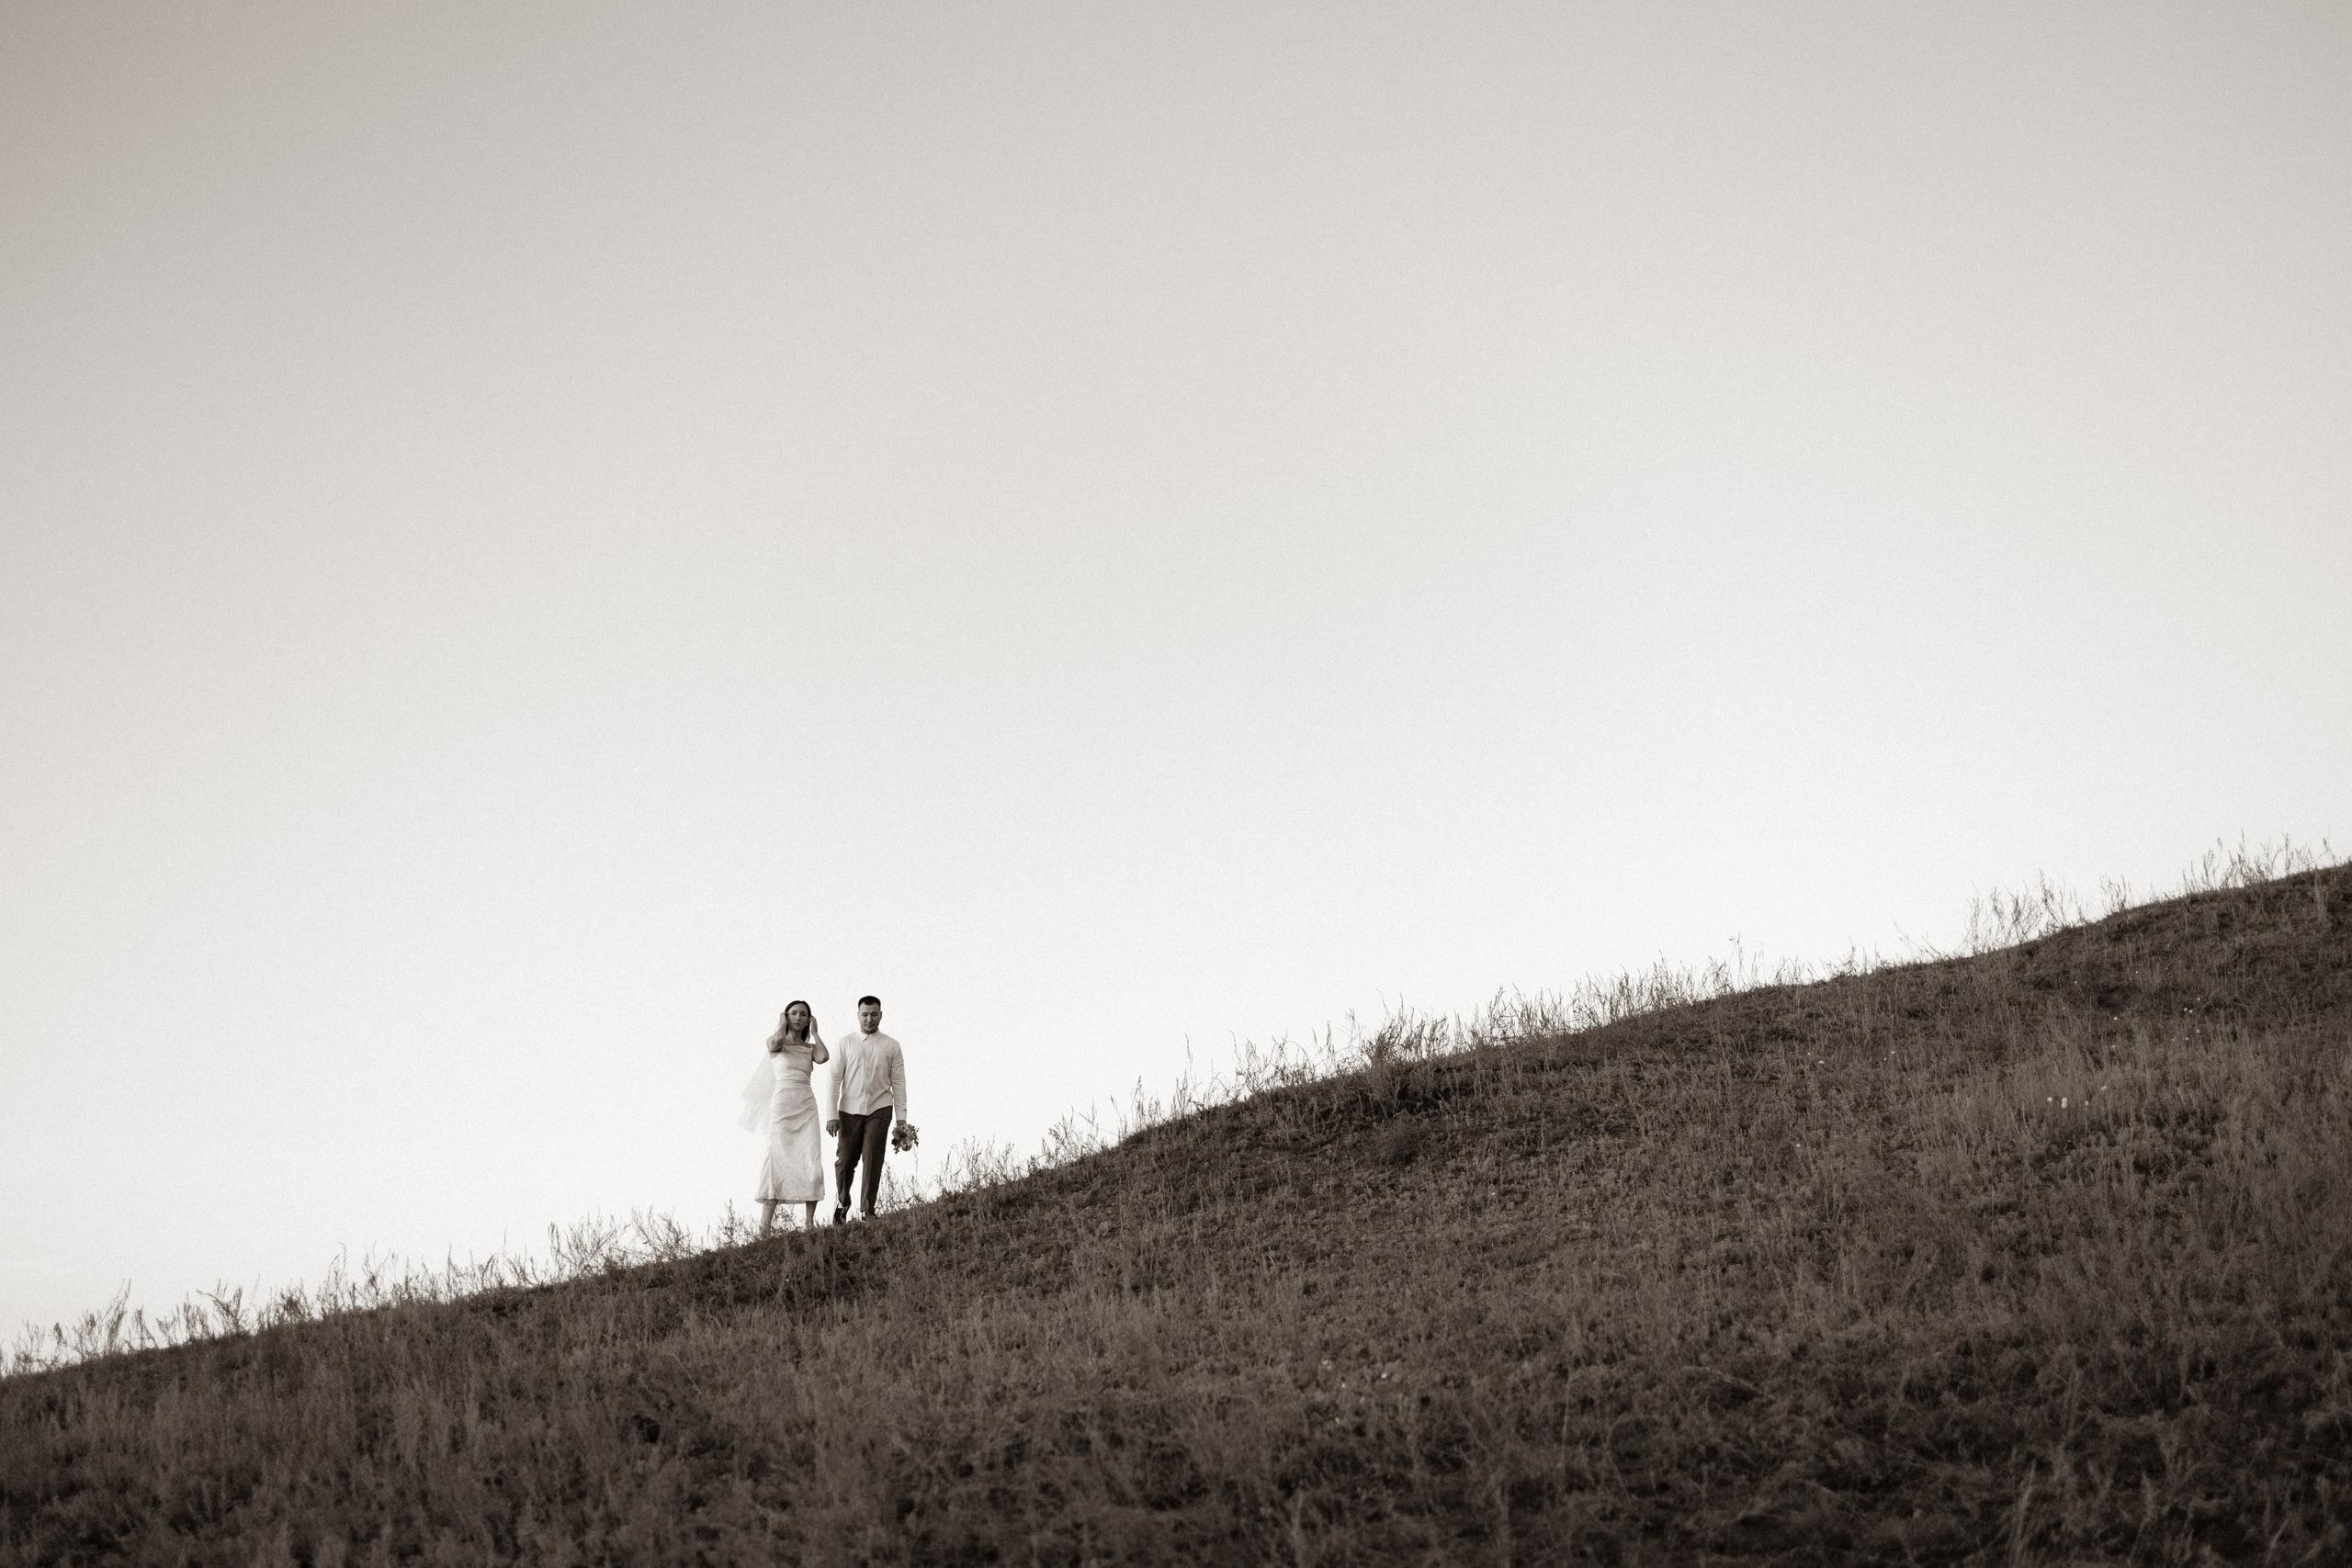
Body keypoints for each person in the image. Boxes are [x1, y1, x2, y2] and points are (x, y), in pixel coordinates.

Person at [742, 1001, 829, 1236]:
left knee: (811, 1158)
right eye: (793, 1013)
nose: (798, 1017)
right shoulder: (777, 1043)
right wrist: (781, 1024)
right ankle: (765, 1228)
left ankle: (809, 1223)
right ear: (786, 1016)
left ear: (809, 1019)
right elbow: (773, 1043)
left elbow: (823, 1057)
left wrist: (816, 1033)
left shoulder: (810, 1048)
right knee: (776, 1159)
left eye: (803, 1014)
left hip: (806, 1105)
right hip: (782, 1105)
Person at [824, 994, 907, 1224]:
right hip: (849, 1110)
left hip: (880, 1108)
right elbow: (833, 1080)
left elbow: (899, 1082)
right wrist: (831, 1114)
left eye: (874, 1014)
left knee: (872, 1157)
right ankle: (842, 1203)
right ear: (858, 1015)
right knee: (845, 1160)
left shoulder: (891, 1045)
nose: (869, 1019)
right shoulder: (845, 1043)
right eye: (865, 1015)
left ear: (881, 1015)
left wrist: (902, 1119)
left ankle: (867, 1210)